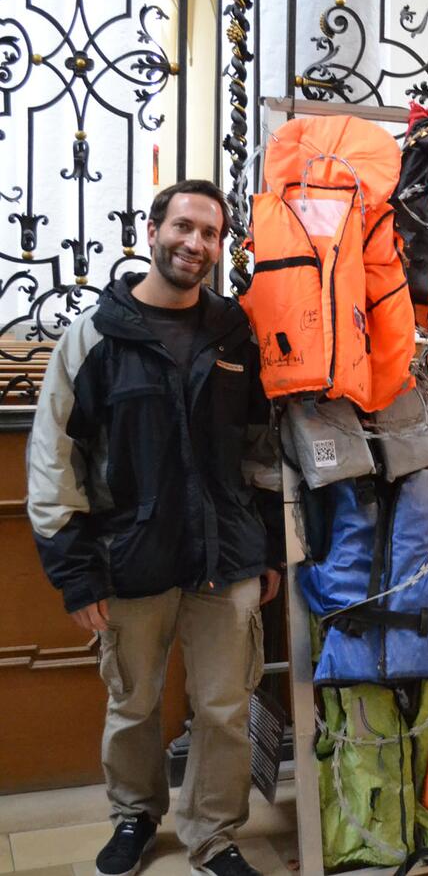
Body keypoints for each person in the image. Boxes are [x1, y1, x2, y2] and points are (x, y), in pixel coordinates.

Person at [26, 179, 284, 876]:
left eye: (211, 234)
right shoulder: (97, 334)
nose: (196, 244)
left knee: (226, 708)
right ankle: (134, 815)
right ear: (152, 229)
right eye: (184, 227)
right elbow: (54, 458)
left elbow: (259, 450)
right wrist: (75, 573)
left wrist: (266, 549)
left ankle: (213, 833)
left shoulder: (234, 335)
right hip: (130, 558)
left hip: (225, 556)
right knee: (134, 702)